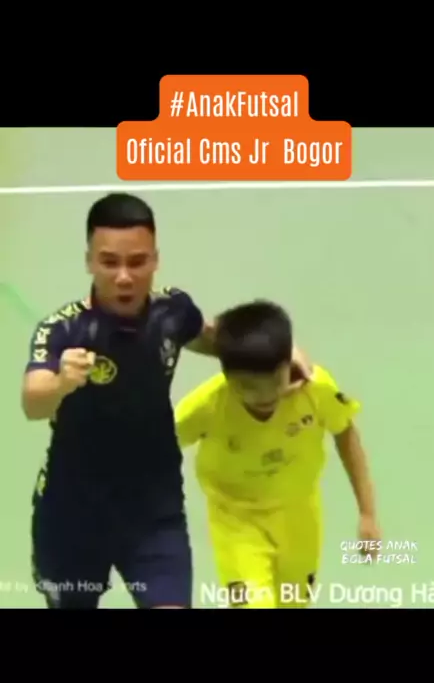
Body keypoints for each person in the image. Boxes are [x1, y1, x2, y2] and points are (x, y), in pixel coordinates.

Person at [21, 193, 311, 609]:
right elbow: (33, 402)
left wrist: (280, 352)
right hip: (72, 515)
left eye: (137, 262)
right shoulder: (63, 329)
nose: (124, 277)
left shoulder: (172, 311)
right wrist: (62, 383)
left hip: (153, 511)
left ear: (156, 259)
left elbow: (214, 338)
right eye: (109, 262)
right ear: (89, 262)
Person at [174, 300, 380, 608]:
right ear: (227, 375)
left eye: (274, 382)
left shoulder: (315, 390)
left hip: (299, 519)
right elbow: (153, 448)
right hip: (236, 524)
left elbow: (345, 433)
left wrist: (367, 513)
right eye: (248, 387)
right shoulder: (206, 406)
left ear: (290, 362)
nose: (264, 396)